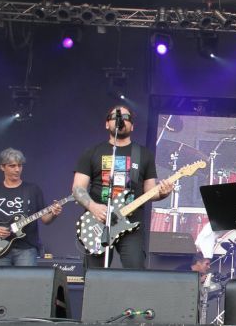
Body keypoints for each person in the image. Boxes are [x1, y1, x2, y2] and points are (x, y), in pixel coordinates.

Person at [72, 105, 173, 269]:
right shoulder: (92, 152)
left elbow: (150, 191)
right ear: (107, 124)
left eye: (126, 118)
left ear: (132, 126)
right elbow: (77, 188)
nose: (121, 120)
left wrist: (163, 194)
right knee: (94, 277)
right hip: (97, 222)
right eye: (115, 117)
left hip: (131, 223)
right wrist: (94, 207)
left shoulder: (143, 154)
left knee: (134, 272)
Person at [0, 148, 62, 266]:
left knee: (26, 283)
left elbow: (45, 220)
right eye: (12, 166)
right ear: (2, 167)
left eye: (20, 165)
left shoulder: (32, 190)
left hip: (26, 248)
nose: (17, 169)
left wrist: (54, 214)